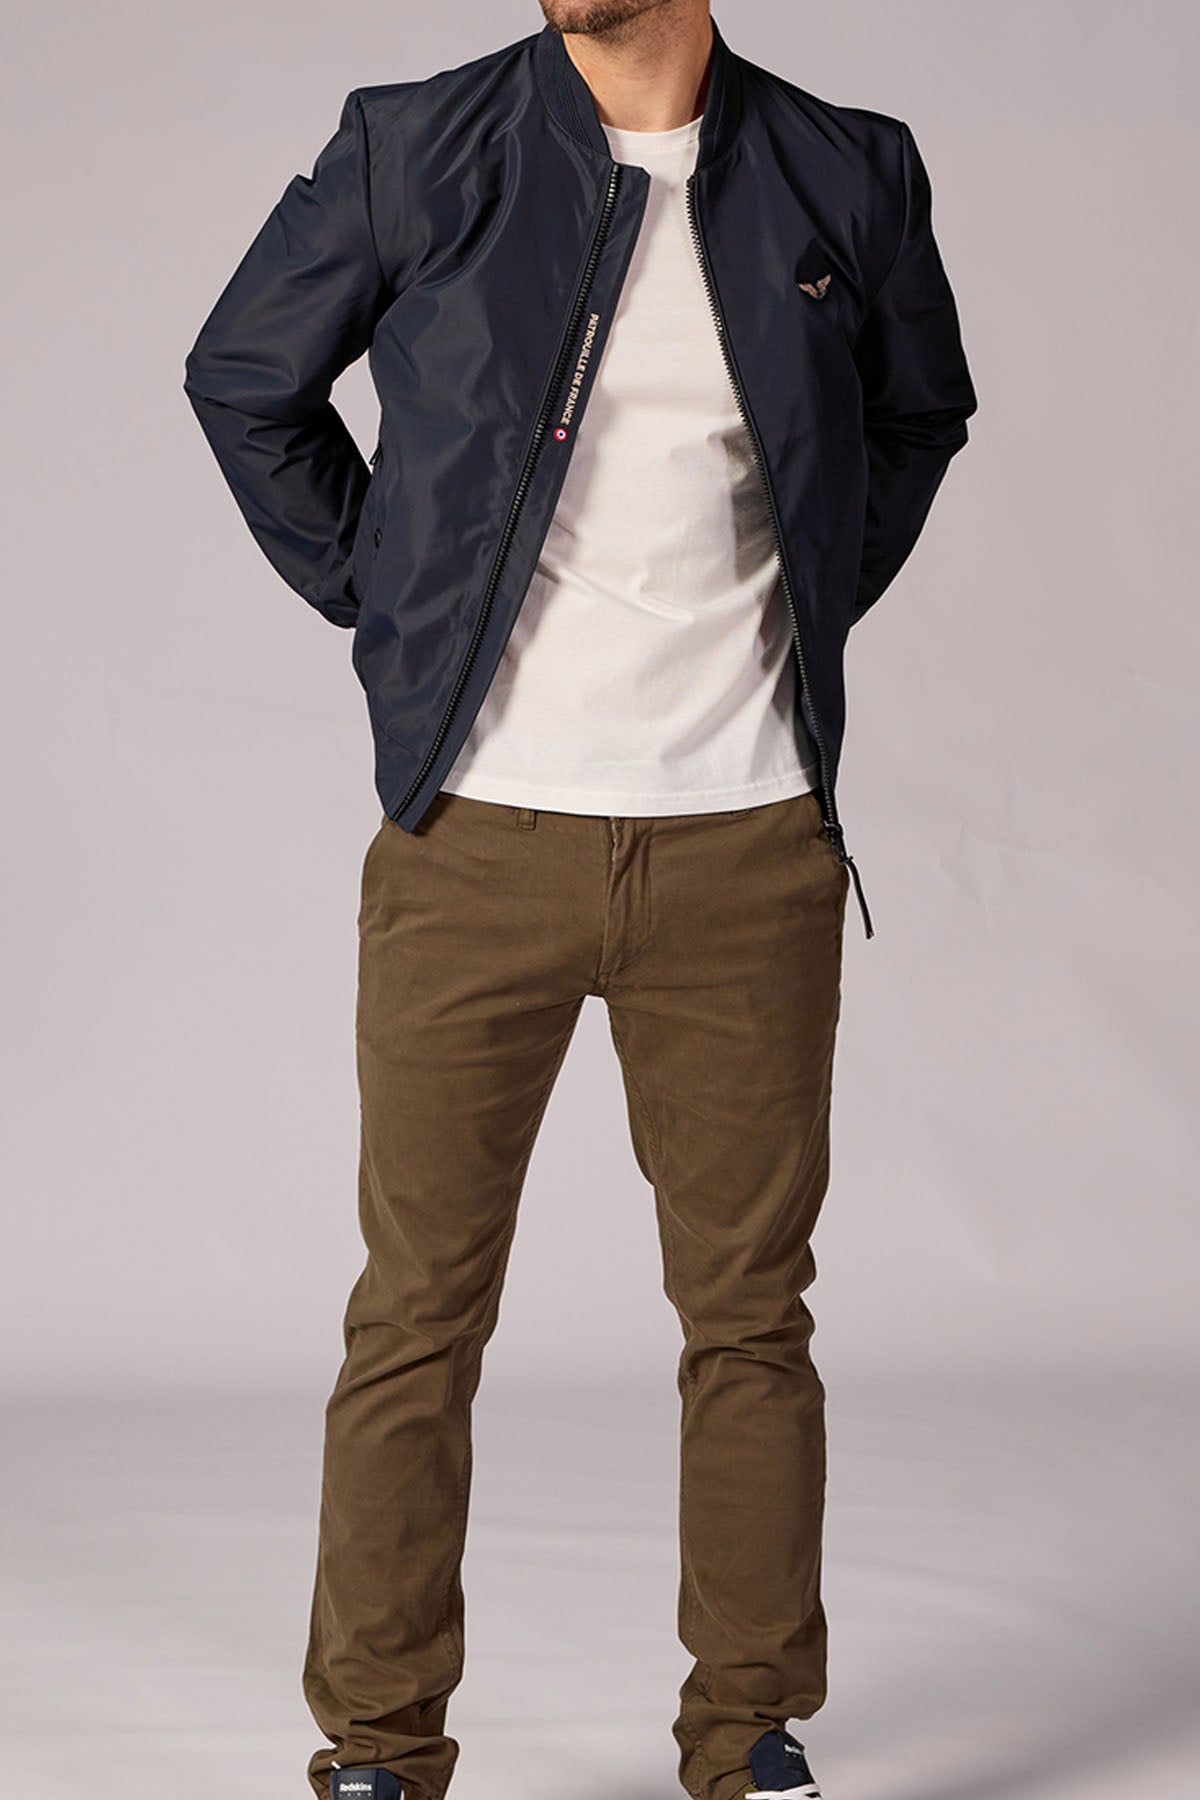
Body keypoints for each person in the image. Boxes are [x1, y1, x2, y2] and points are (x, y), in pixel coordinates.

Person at [182, 4, 977, 1798]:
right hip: (476, 847)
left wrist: (805, 600)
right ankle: (379, 1748)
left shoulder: (847, 171)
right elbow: (243, 376)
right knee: (416, 1312)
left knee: (750, 1315)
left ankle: (750, 1733)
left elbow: (918, 414)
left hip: (747, 845)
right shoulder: (414, 147)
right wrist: (397, 597)